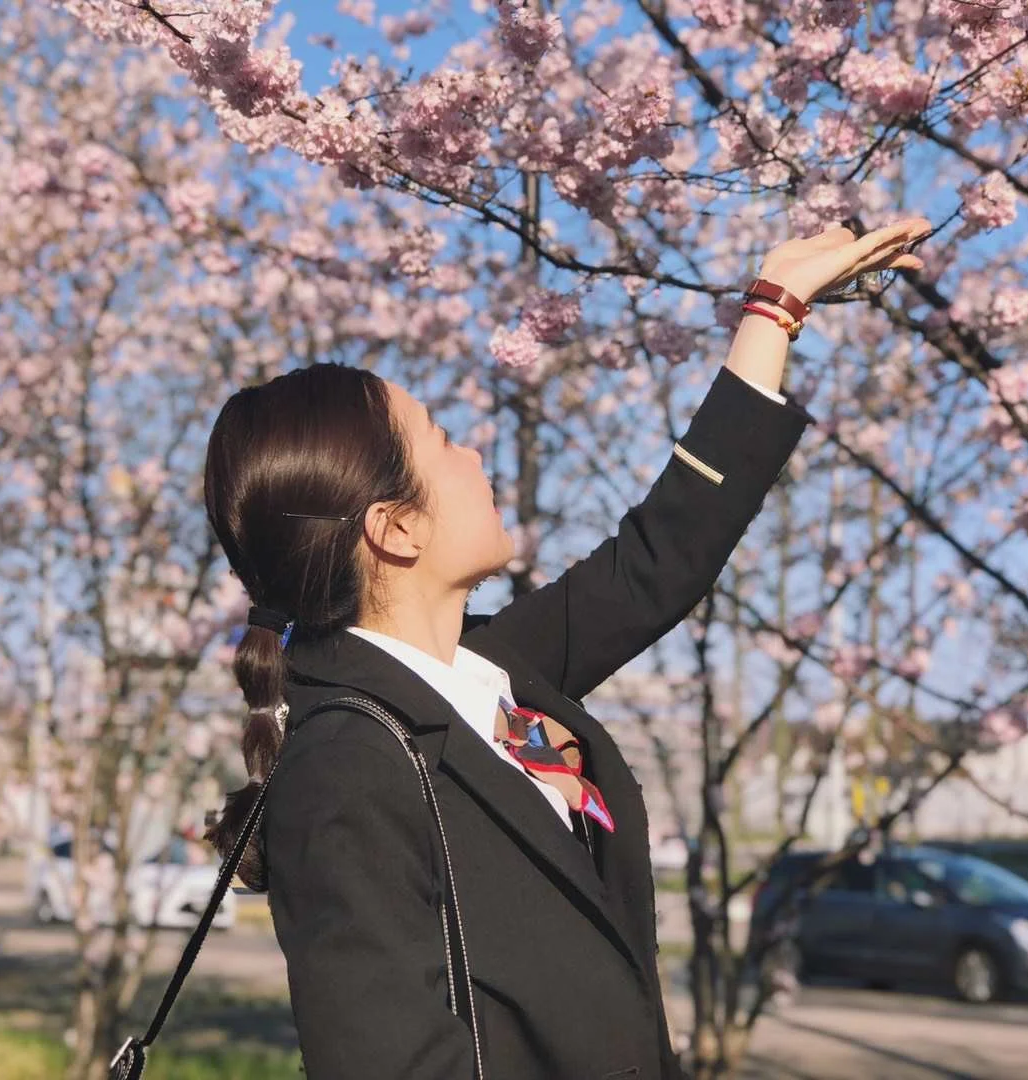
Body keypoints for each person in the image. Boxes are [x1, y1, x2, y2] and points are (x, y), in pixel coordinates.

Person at [201, 219, 929, 1079]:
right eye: (441, 440)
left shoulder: (490, 674)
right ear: (394, 530)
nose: (472, 453)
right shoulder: (349, 768)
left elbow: (657, 561)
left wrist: (771, 311)